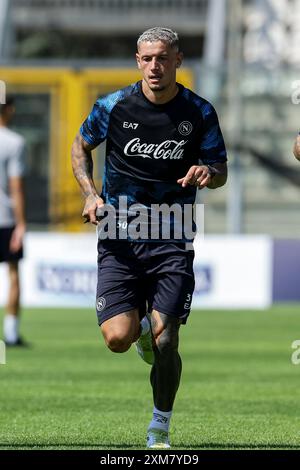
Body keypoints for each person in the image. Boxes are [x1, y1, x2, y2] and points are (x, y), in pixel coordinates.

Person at [71, 27, 227, 449]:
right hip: (119, 235)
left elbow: (220, 170)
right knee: (118, 339)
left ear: (178, 60)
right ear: (137, 60)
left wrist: (207, 174)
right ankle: (139, 329)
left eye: (162, 58)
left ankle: (159, 428)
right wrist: (90, 194)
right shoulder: (114, 105)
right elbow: (79, 146)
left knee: (167, 338)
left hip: (173, 236)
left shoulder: (198, 112)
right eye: (146, 58)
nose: (153, 66)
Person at [0, 96, 27, 346]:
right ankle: (10, 333)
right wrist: (21, 223)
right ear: (9, 109)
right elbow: (15, 185)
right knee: (12, 275)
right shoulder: (14, 142)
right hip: (5, 218)